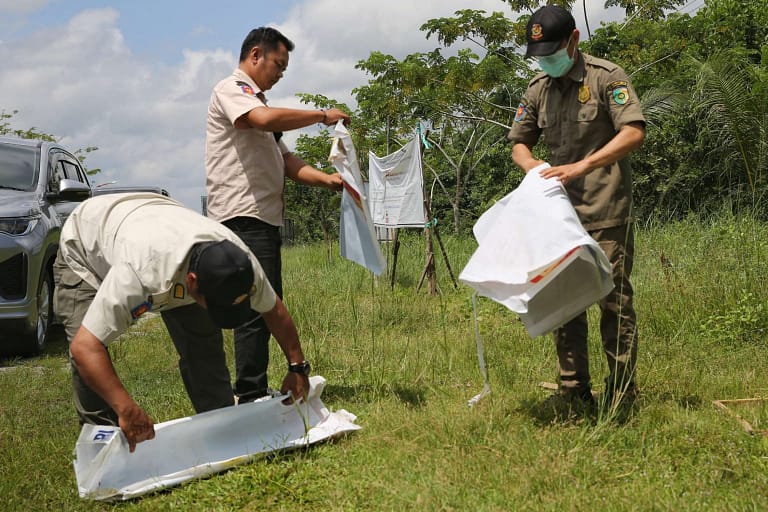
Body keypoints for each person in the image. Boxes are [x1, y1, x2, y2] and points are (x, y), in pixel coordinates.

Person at [53, 192, 313, 452]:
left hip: (153, 224)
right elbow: (85, 347)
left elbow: (274, 310)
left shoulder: (238, 262)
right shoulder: (139, 273)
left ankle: (221, 429)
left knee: (203, 345)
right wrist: (126, 407)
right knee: (88, 358)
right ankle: (103, 450)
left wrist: (297, 367)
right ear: (192, 282)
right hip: (86, 245)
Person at [507, 6, 646, 406]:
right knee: (565, 300)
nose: (547, 60)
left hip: (605, 209)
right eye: (540, 54)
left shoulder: (607, 77)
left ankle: (622, 392)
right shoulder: (538, 89)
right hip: (558, 216)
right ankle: (574, 391)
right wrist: (532, 165)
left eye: (552, 51)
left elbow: (633, 132)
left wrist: (584, 165)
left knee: (613, 302)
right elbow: (519, 141)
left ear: (574, 40)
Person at [205, 26, 349, 404]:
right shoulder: (233, 91)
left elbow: (286, 161)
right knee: (257, 304)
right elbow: (265, 121)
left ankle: (253, 387)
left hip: (263, 217)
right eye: (278, 64)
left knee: (265, 299)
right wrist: (321, 115)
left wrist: (327, 180)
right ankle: (250, 393)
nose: (281, 72)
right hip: (242, 214)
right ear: (256, 55)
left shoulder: (256, 102)